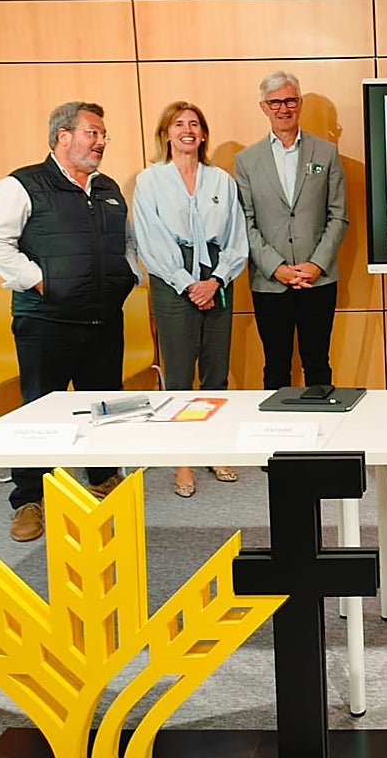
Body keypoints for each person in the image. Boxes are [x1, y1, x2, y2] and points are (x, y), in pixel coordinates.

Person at [0, 101, 140, 541]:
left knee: (104, 407)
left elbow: (122, 242)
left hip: (103, 319)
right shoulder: (22, 184)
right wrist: (42, 281)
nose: (101, 141)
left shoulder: (107, 187)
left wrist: (127, 276)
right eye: (93, 132)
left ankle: (104, 480)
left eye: (104, 134)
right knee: (39, 411)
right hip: (46, 321)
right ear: (62, 136)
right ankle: (31, 498)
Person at [132, 101, 248, 498]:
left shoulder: (221, 181)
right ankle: (182, 458)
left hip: (218, 275)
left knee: (216, 370)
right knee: (180, 373)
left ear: (203, 134)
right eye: (179, 124)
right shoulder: (150, 181)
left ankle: (214, 447)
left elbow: (236, 238)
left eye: (194, 124)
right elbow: (150, 239)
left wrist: (215, 279)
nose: (187, 130)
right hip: (172, 276)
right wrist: (187, 283)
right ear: (166, 133)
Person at [234, 71, 348, 390]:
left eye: (289, 100)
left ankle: (324, 435)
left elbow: (338, 215)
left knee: (318, 364)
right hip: (269, 283)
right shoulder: (246, 160)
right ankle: (277, 437)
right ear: (263, 107)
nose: (283, 109)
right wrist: (277, 268)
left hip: (318, 279)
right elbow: (245, 222)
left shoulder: (325, 153)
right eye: (275, 103)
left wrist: (315, 265)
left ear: (299, 103)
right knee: (275, 367)